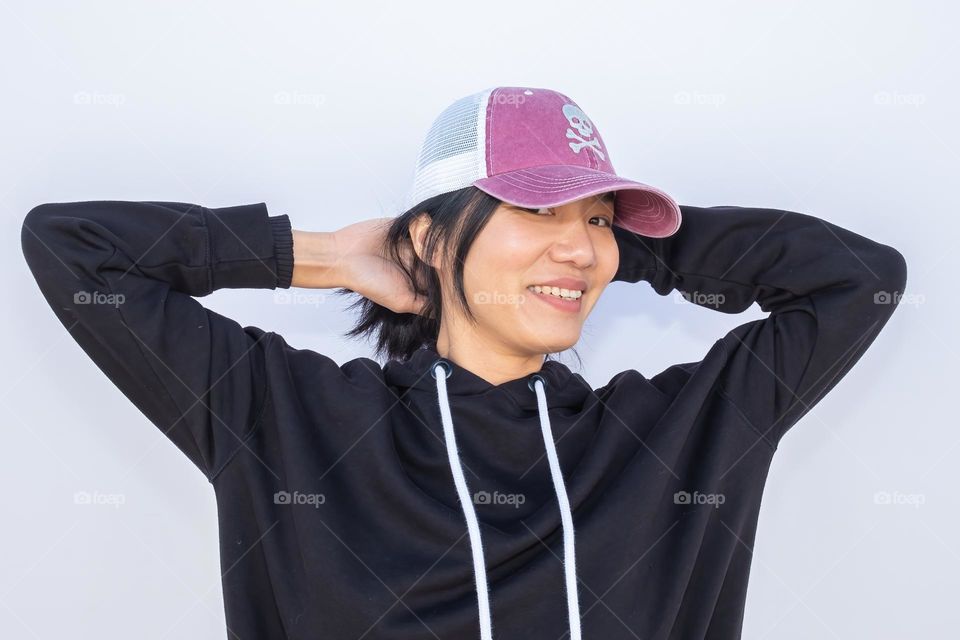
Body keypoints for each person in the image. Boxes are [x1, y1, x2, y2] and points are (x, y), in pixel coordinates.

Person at [20, 86, 907, 639]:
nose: (579, 245)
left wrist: (615, 252)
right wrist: (319, 253)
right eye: (537, 209)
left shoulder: (679, 438)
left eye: (596, 217)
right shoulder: (285, 419)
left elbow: (859, 281)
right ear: (431, 236)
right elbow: (73, 249)